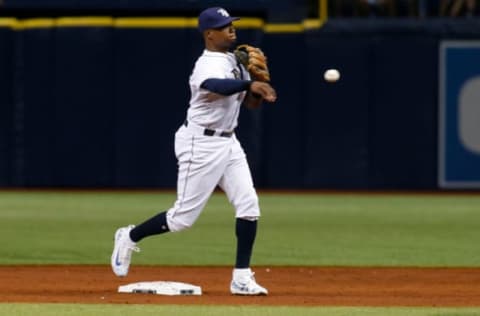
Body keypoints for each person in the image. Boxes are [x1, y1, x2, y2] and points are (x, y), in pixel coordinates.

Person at [110, 7, 277, 296]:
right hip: (200, 144)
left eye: (231, 24)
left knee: (249, 206)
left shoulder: (234, 61)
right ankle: (129, 235)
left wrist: (255, 88)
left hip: (228, 141)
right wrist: (250, 82)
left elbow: (248, 104)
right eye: (224, 27)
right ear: (209, 34)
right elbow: (214, 85)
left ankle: (241, 278)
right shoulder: (207, 64)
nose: (231, 29)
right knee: (181, 219)